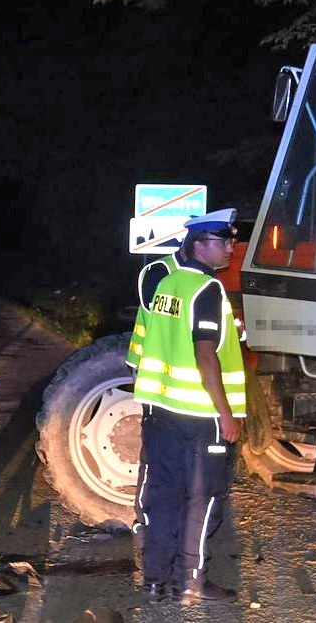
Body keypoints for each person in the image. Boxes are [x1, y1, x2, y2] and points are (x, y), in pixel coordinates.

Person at [132, 208, 246, 604]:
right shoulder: (207, 289)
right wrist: (226, 415)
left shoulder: (166, 284)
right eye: (224, 242)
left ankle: (153, 582)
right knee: (202, 500)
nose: (231, 249)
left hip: (162, 413)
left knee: (162, 497)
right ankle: (191, 583)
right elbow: (205, 356)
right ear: (200, 245)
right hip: (201, 418)